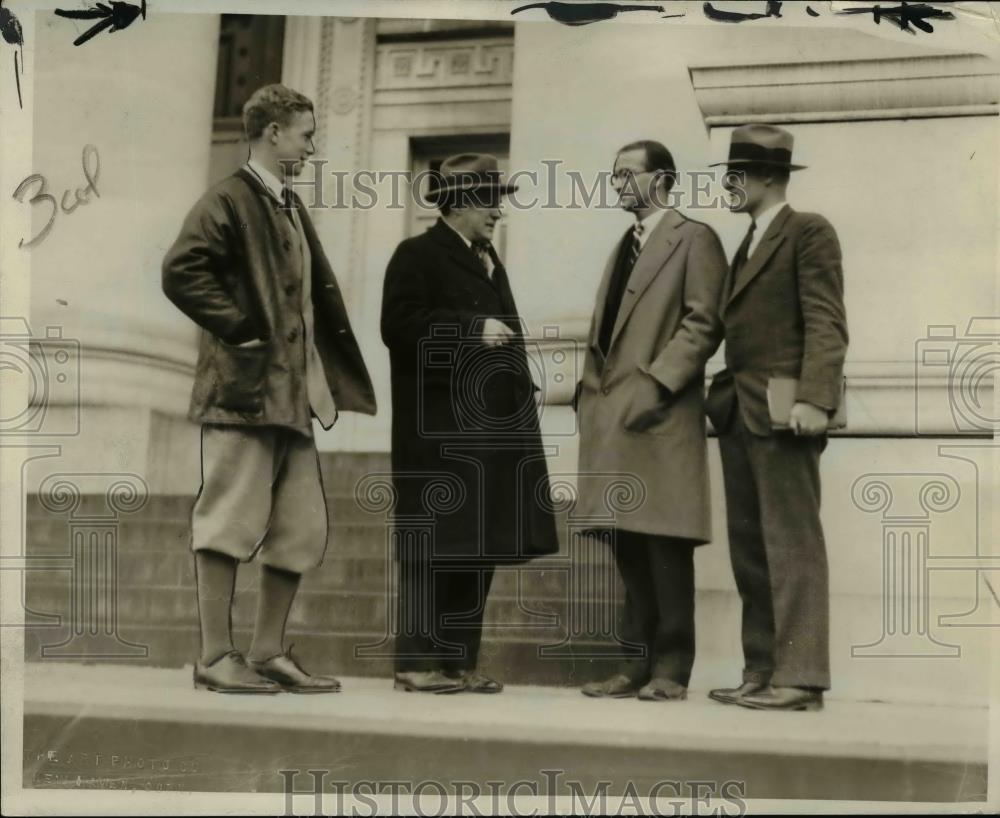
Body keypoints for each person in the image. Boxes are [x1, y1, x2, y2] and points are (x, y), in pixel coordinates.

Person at [162, 84, 376, 693]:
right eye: (306, 135)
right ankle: (213, 656)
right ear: (273, 132)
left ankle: (266, 651)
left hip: (294, 400)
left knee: (301, 529)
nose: (311, 147)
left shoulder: (286, 203)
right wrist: (240, 327)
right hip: (244, 394)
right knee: (228, 518)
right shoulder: (227, 199)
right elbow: (181, 270)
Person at [380, 153, 559, 694]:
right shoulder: (415, 254)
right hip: (439, 436)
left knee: (477, 547)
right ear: (456, 203)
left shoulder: (489, 261)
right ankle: (416, 664)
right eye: (488, 200)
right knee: (433, 546)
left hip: (492, 433)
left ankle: (457, 663)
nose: (497, 212)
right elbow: (398, 325)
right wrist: (470, 328)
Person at [575, 140, 727, 701]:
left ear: (661, 179)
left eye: (625, 174)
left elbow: (704, 323)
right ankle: (633, 665)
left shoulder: (695, 238)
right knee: (627, 542)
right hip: (613, 418)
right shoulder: (624, 246)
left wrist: (659, 383)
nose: (614, 183)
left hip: (659, 415)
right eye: (612, 174)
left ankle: (671, 669)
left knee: (665, 545)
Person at [706, 124, 848, 712]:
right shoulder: (746, 242)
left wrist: (816, 398)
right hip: (741, 415)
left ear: (769, 176)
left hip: (787, 415)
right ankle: (762, 670)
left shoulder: (807, 231)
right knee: (750, 547)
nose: (729, 185)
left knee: (792, 546)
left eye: (737, 175)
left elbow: (826, 321)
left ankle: (802, 678)